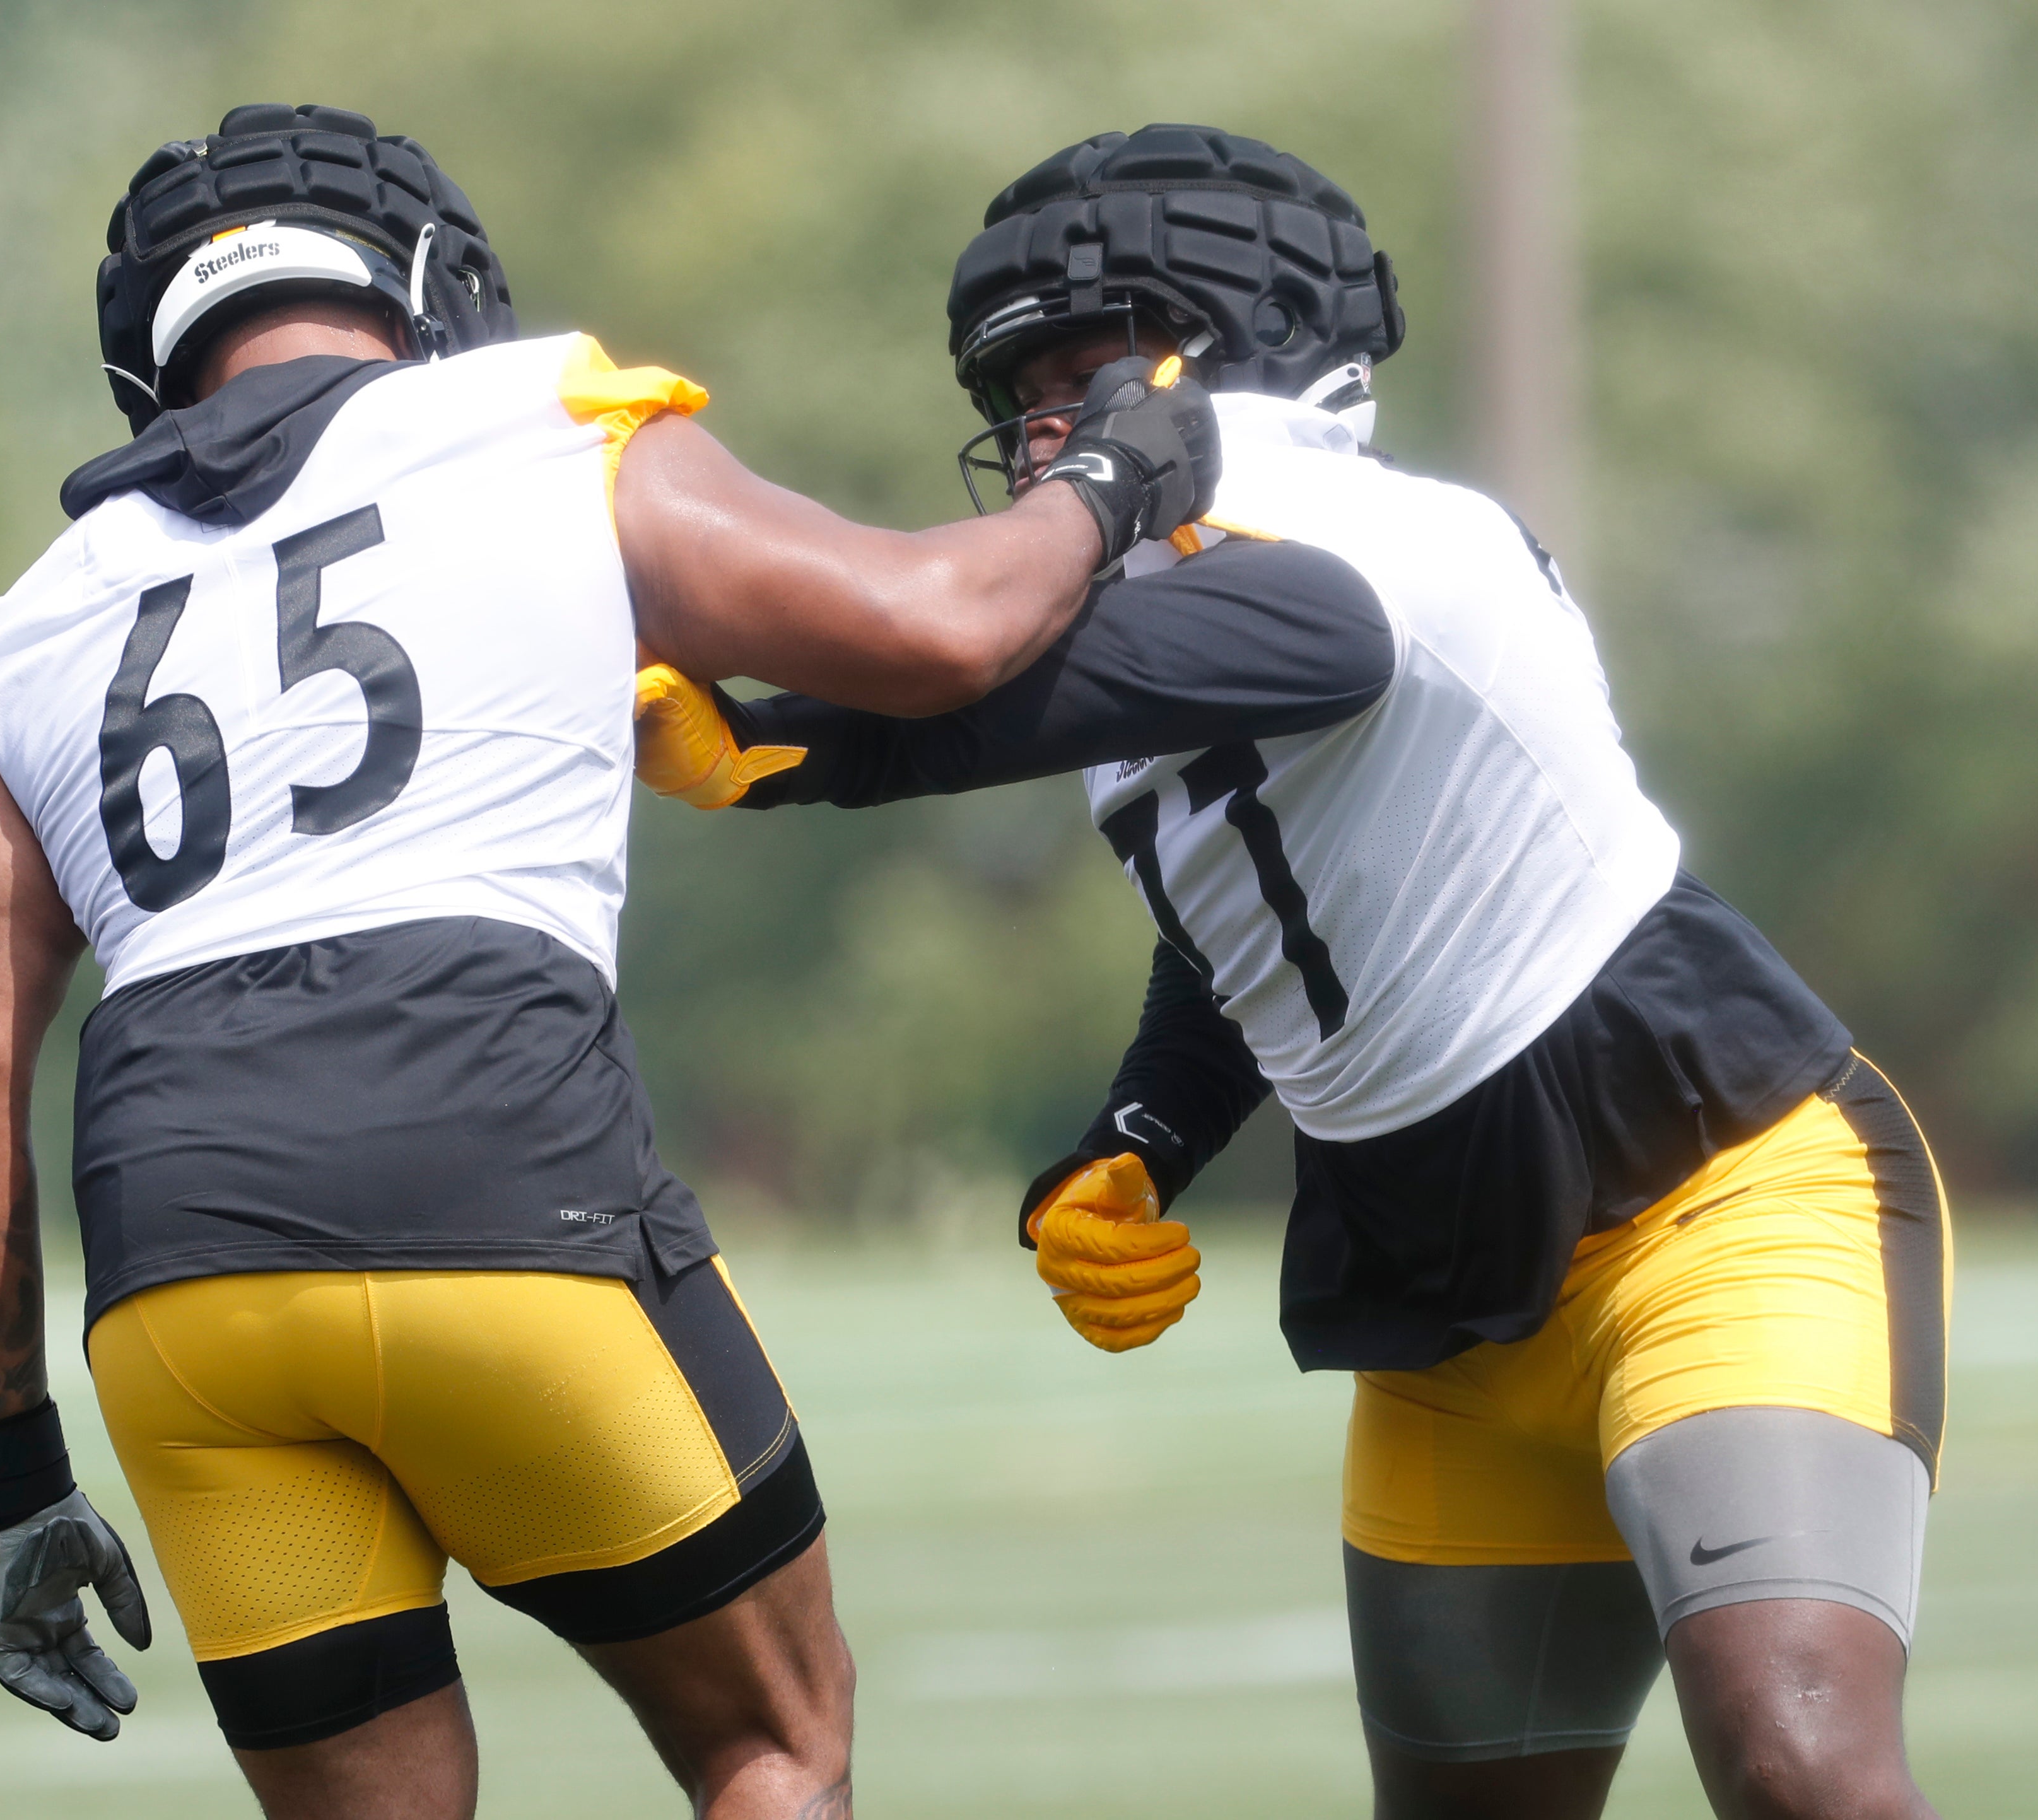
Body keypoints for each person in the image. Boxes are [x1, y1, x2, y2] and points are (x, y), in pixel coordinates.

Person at [0, 102, 1215, 1819]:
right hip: (498, 1172)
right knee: (772, 1742)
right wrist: (1108, 479)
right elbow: (928, 627)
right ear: (435, 289)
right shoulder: (539, 420)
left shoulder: (22, 626)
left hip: (183, 1265)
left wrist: (4, 1465)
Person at [635, 124, 1947, 1820]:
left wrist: (787, 738)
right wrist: (1143, 1132)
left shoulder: (1348, 530)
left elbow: (1237, 649)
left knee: (1798, 1763)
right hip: (1454, 1316)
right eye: (1020, 389)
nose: (1046, 428)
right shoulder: (1154, 610)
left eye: (1080, 368)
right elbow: (1254, 934)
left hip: (1717, 1201)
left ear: (1219, 353)